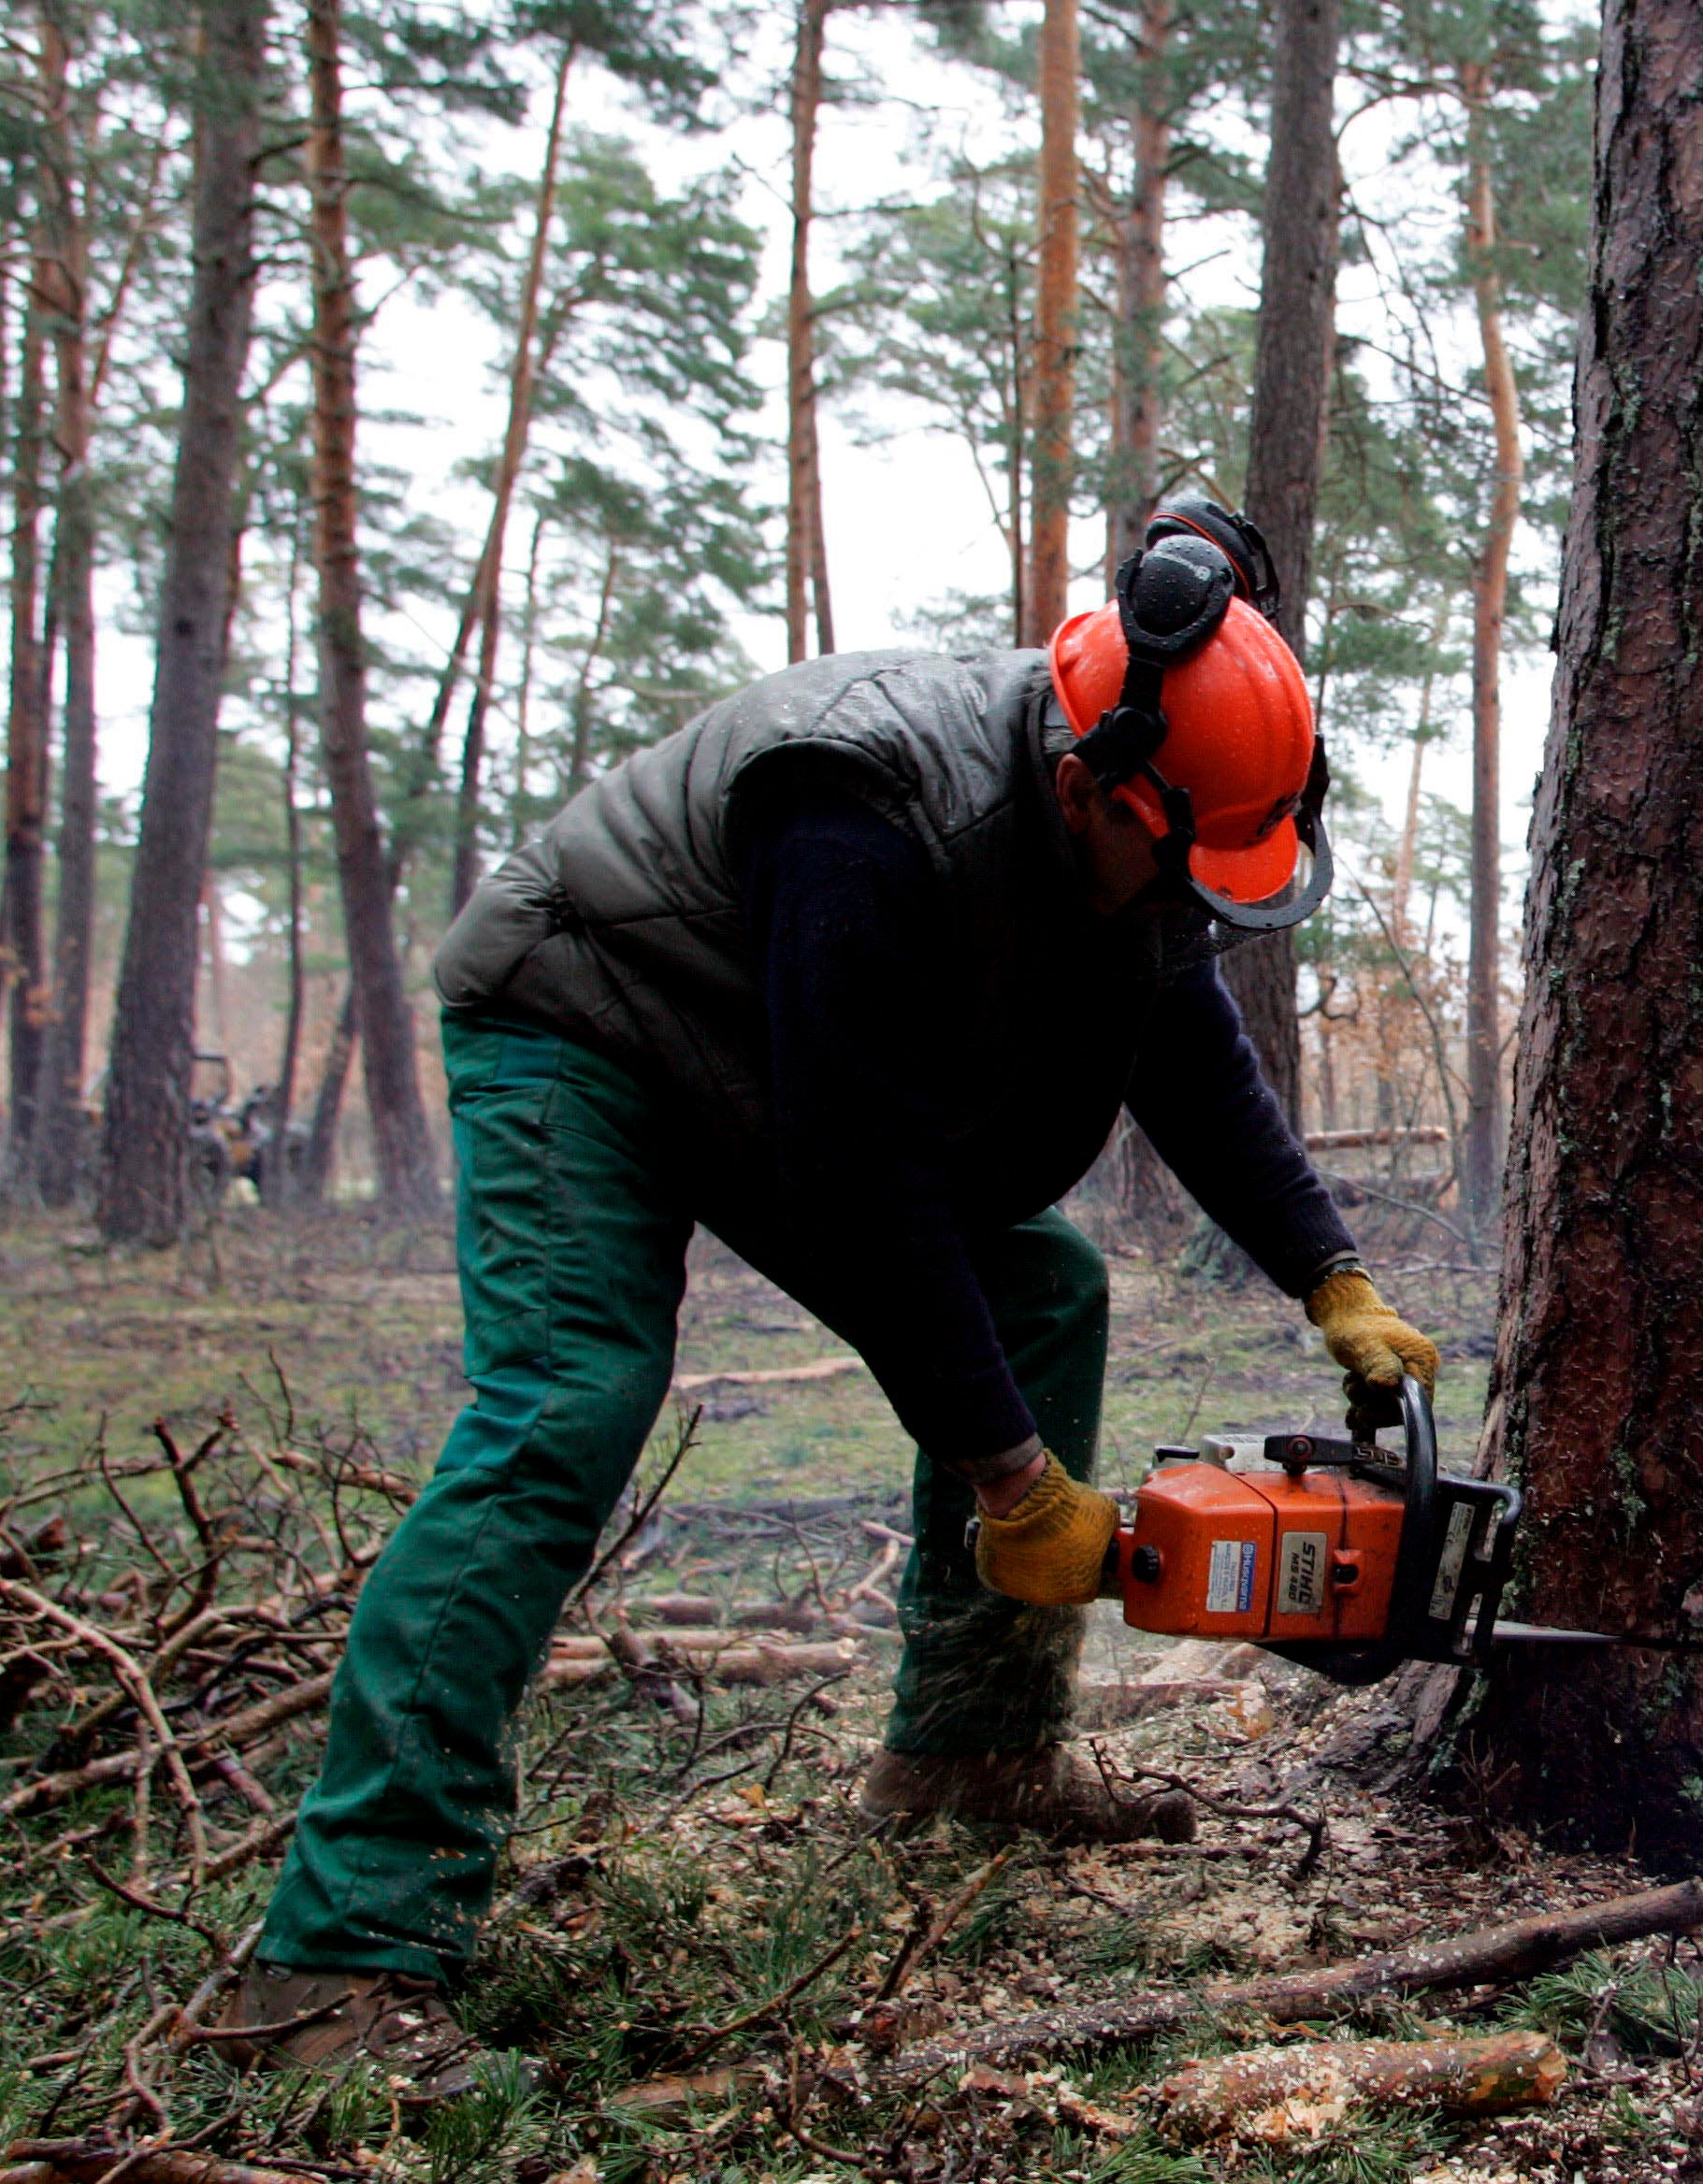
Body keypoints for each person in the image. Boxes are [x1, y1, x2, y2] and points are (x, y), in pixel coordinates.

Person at [223, 500, 1439, 2090]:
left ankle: (971, 1753)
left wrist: (1329, 1276)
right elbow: (866, 1174)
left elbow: (1192, 1055)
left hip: (771, 1062)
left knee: (1042, 1289)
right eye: (1179, 865)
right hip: (589, 1017)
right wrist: (1016, 1483)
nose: (1187, 904)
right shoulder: (862, 807)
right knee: (568, 1401)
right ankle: (338, 1951)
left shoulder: (1134, 847)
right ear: (1086, 784)